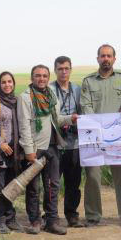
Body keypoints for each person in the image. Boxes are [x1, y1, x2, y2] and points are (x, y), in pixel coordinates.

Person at [80, 44, 121, 229]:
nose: (106, 59)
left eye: (109, 56)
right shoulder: (88, 82)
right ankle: (93, 216)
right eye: (102, 56)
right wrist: (99, 125)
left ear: (114, 58)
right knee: (93, 177)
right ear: (97, 58)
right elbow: (86, 106)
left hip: (119, 137)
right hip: (95, 137)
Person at [18, 64, 77, 235]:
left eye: (44, 76)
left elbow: (56, 119)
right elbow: (24, 126)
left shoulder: (51, 94)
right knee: (34, 187)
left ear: (48, 77)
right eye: (38, 75)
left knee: (53, 185)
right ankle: (35, 221)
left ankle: (52, 220)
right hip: (35, 148)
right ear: (32, 77)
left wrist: (71, 119)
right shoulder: (25, 97)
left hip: (53, 146)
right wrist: (29, 150)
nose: (41, 79)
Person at [0, 71, 24, 234]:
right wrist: (0, 143)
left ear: (14, 83)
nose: (7, 85)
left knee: (11, 186)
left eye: (9, 82)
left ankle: (10, 217)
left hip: (14, 153)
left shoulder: (16, 102)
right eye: (3, 82)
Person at [49, 56, 84, 228]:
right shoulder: (49, 90)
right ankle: (50, 214)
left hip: (75, 142)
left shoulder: (77, 89)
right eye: (60, 68)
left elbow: (84, 110)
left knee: (73, 182)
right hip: (55, 142)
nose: (64, 71)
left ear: (71, 69)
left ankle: (71, 214)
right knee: (52, 182)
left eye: (66, 68)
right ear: (55, 70)